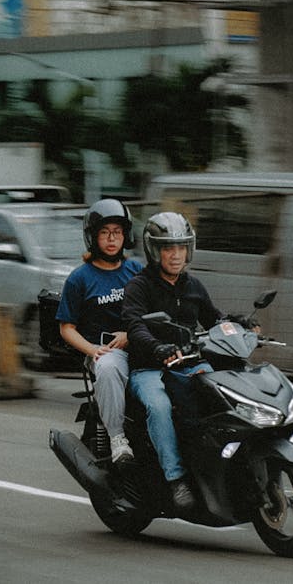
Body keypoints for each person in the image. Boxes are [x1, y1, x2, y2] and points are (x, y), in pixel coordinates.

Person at [121, 212, 224, 512]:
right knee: (159, 406)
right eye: (168, 248)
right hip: (148, 368)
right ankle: (176, 478)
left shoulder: (194, 286)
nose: (176, 255)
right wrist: (156, 347)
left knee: (222, 394)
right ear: (155, 251)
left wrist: (238, 324)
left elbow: (214, 319)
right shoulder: (139, 286)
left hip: (188, 364)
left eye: (181, 247)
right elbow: (134, 325)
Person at [56, 198, 143, 464]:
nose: (111, 239)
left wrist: (131, 335)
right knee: (108, 368)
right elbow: (66, 328)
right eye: (104, 233)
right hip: (104, 352)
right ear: (93, 238)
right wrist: (93, 350)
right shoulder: (80, 278)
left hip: (139, 344)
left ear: (125, 236)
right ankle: (117, 438)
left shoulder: (135, 269)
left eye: (116, 232)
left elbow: (150, 310)